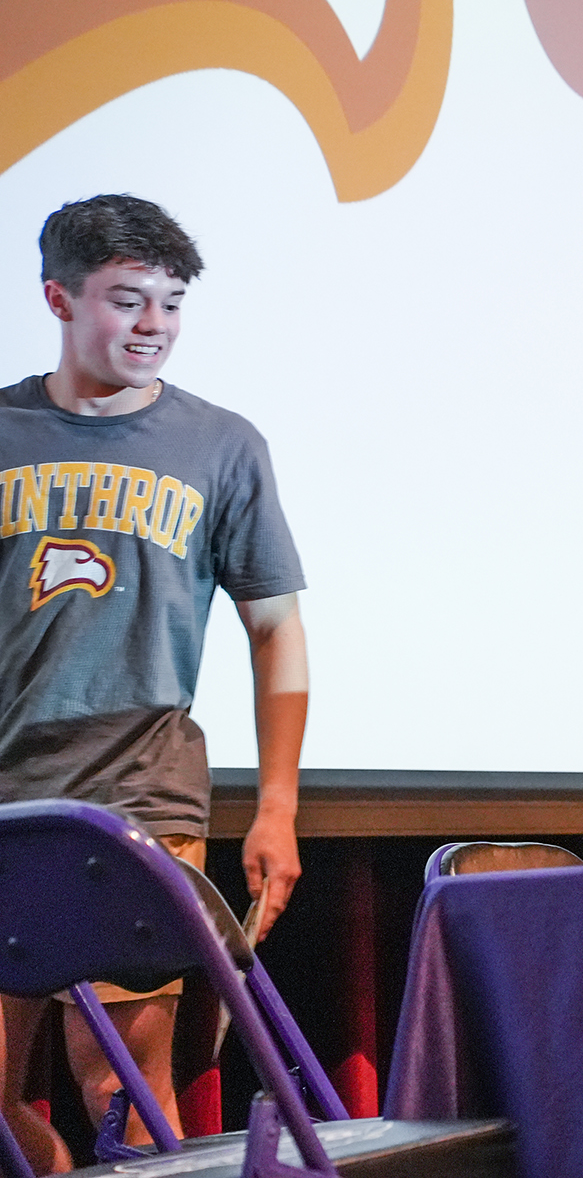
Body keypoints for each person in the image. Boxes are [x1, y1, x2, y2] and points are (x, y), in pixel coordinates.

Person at [0, 195, 308, 1171]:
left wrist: (277, 805)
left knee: (121, 1091)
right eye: (127, 301)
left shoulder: (221, 447)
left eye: (170, 304)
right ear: (58, 296)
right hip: (7, 791)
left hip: (139, 795)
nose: (153, 327)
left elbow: (276, 631)